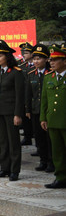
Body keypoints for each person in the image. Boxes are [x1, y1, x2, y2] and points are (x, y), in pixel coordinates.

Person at [0, 40, 25, 181]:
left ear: (7, 56)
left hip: (11, 112)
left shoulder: (16, 72)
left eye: (0, 56)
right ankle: (4, 168)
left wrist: (17, 114)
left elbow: (19, 96)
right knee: (2, 140)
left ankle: (14, 170)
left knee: (13, 141)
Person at [39, 44, 66, 189]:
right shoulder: (49, 77)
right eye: (51, 60)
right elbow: (44, 99)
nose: (52, 62)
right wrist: (43, 118)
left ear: (64, 61)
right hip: (53, 121)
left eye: (55, 60)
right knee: (57, 152)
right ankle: (60, 177)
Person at [27, 44, 53, 173]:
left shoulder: (51, 74)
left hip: (49, 111)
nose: (36, 61)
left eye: (39, 58)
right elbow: (28, 94)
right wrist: (27, 109)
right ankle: (43, 161)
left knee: (50, 138)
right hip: (36, 110)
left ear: (46, 59)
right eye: (34, 59)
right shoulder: (31, 74)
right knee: (39, 137)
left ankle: (51, 162)